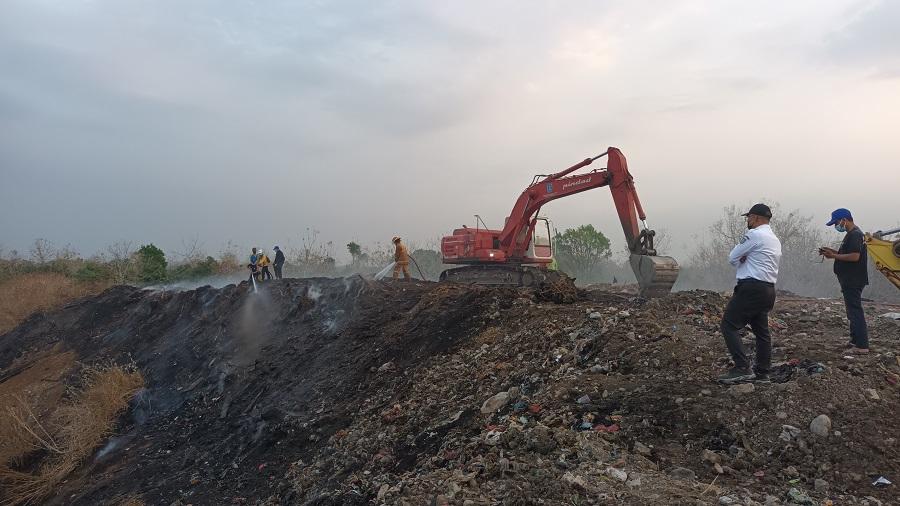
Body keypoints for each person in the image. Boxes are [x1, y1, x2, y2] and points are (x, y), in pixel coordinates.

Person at [718, 203, 783, 384]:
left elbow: (732, 257)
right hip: (768, 290)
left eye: (749, 217)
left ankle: (742, 367)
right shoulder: (774, 239)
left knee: (728, 326)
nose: (747, 220)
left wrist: (742, 259)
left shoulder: (754, 234)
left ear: (756, 218)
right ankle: (763, 373)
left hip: (751, 288)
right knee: (762, 332)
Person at [820, 208, 869, 353]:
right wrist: (832, 252)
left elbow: (855, 256)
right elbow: (848, 254)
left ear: (844, 220)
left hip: (853, 279)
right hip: (849, 279)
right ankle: (855, 341)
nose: (836, 226)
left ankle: (861, 346)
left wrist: (834, 256)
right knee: (851, 311)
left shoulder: (855, 234)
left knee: (855, 311)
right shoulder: (851, 235)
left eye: (836, 223)